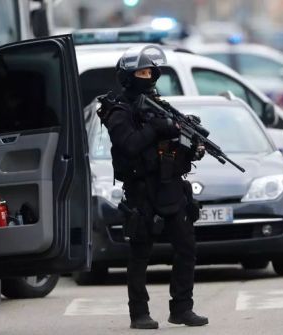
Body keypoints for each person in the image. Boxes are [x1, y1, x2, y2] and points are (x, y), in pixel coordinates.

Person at [97, 45, 208, 330]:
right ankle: (139, 314)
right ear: (128, 76)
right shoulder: (118, 110)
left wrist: (190, 144)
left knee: (186, 248)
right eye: (141, 72)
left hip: (171, 188)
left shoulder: (159, 106)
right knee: (140, 255)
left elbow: (172, 145)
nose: (147, 77)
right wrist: (158, 129)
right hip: (142, 192)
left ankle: (182, 308)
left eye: (150, 72)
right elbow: (130, 144)